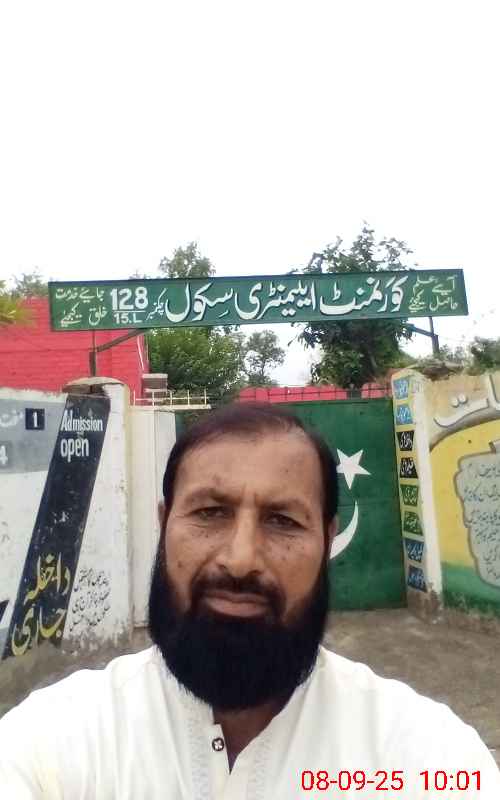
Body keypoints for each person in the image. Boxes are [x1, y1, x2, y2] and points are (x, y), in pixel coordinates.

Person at [0, 403, 499, 799]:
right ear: (164, 524)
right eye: (210, 512)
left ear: (327, 542)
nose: (240, 560)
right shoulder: (49, 744)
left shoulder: (427, 757)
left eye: (283, 521)